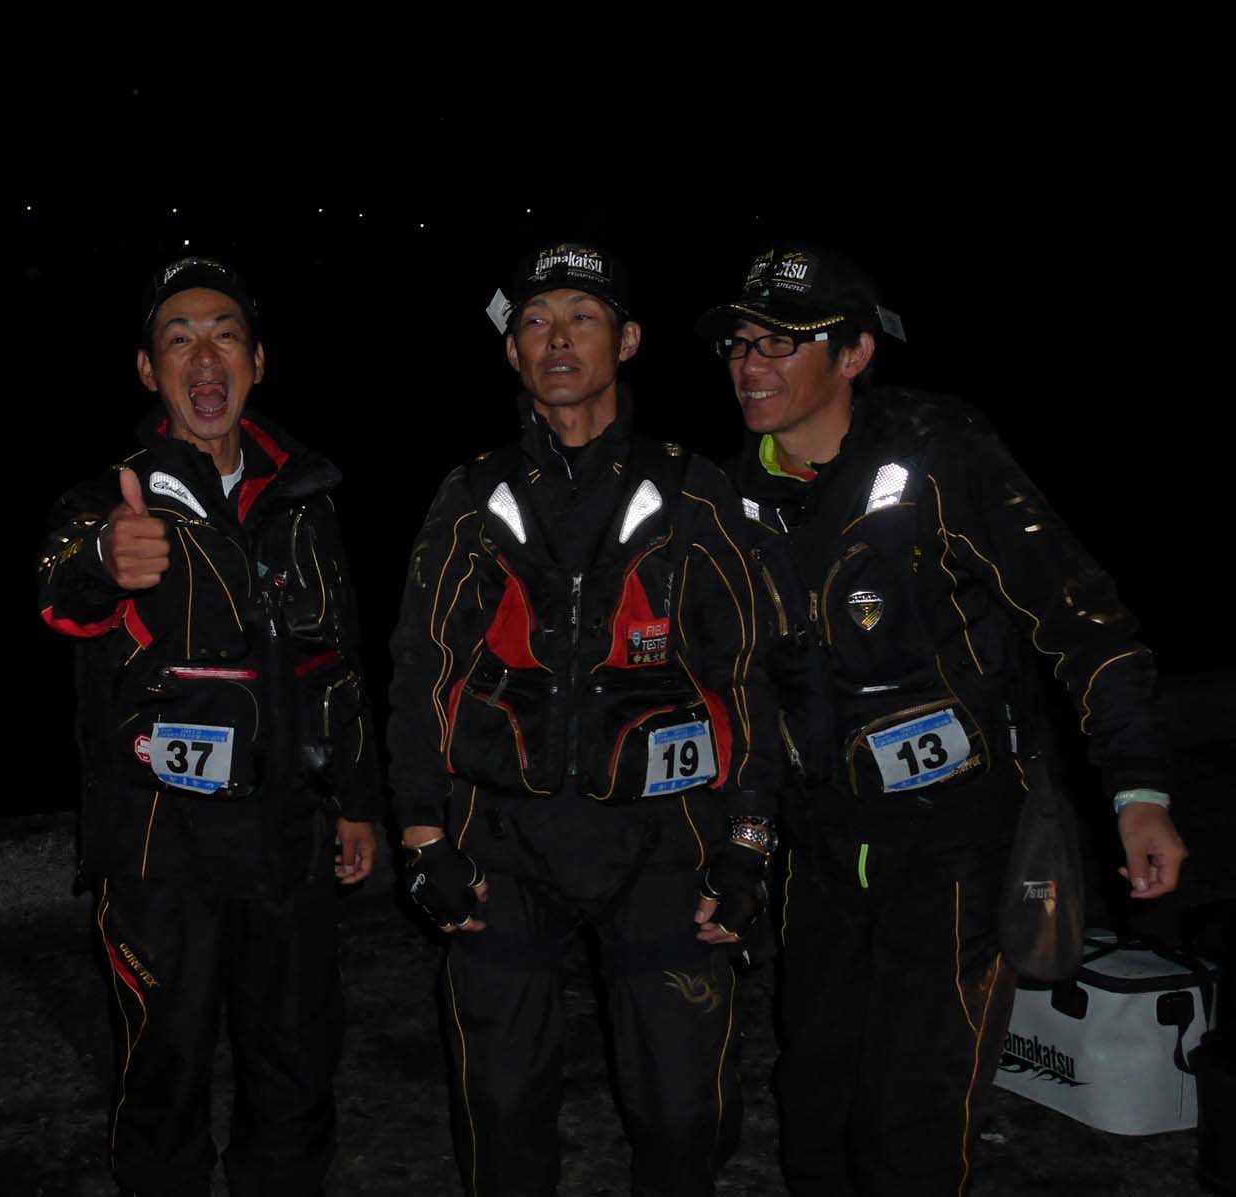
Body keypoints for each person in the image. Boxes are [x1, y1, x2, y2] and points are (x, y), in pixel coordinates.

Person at [698, 244, 1188, 1194]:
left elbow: (1086, 625)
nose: (751, 365)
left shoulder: (940, 455)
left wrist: (1139, 790)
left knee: (910, 1123)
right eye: (741, 342)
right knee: (815, 1104)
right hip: (824, 851)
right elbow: (743, 700)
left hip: (960, 846)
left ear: (853, 354)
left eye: (781, 342)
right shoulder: (729, 504)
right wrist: (744, 850)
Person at [388, 241, 777, 1195]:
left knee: (685, 1113)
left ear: (628, 339)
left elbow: (749, 673)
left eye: (583, 317)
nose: (557, 338)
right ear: (512, 352)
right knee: (499, 1108)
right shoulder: (470, 495)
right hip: (501, 840)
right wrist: (423, 832)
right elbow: (420, 669)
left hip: (664, 840)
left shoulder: (692, 489)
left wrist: (750, 841)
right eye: (535, 321)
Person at [35, 256, 380, 1197]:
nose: (203, 355)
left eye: (224, 333)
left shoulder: (305, 495)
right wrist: (104, 558)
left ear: (257, 360)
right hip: (159, 850)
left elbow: (339, 655)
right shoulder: (106, 500)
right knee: (163, 1077)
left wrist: (356, 799)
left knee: (298, 1068)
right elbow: (58, 586)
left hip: (290, 836)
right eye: (177, 338)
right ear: (149, 370)